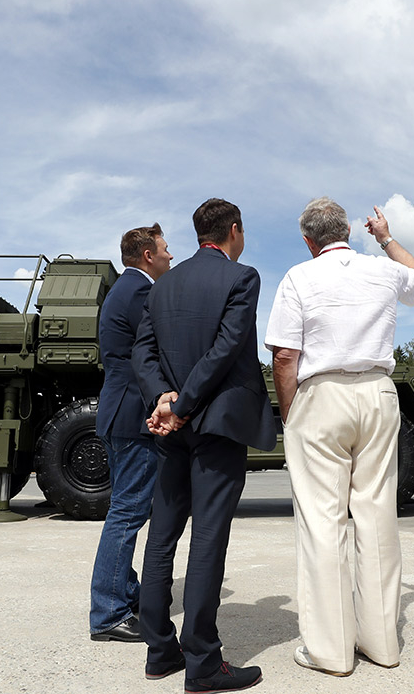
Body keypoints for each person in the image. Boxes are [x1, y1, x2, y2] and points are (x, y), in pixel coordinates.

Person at [264, 197, 414, 676]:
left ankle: (330, 651)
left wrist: (292, 415)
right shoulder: (380, 270)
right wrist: (387, 237)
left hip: (322, 393)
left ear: (308, 240)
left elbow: (285, 356)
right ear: (349, 231)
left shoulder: (299, 276)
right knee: (376, 515)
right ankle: (382, 644)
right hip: (378, 392)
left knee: (323, 521)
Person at [131, 198, 278, 693]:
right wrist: (186, 403)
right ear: (234, 229)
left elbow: (142, 350)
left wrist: (163, 398)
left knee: (162, 534)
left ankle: (159, 650)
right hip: (214, 424)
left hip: (173, 426)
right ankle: (203, 662)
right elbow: (227, 347)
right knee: (208, 538)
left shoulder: (163, 284)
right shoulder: (242, 277)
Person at [89, 224, 174, 643]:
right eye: (164, 249)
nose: (169, 256)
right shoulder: (141, 292)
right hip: (131, 416)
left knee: (127, 509)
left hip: (117, 410)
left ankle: (123, 592)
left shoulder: (122, 290)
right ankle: (107, 613)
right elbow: (157, 349)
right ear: (146, 255)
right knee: (127, 513)